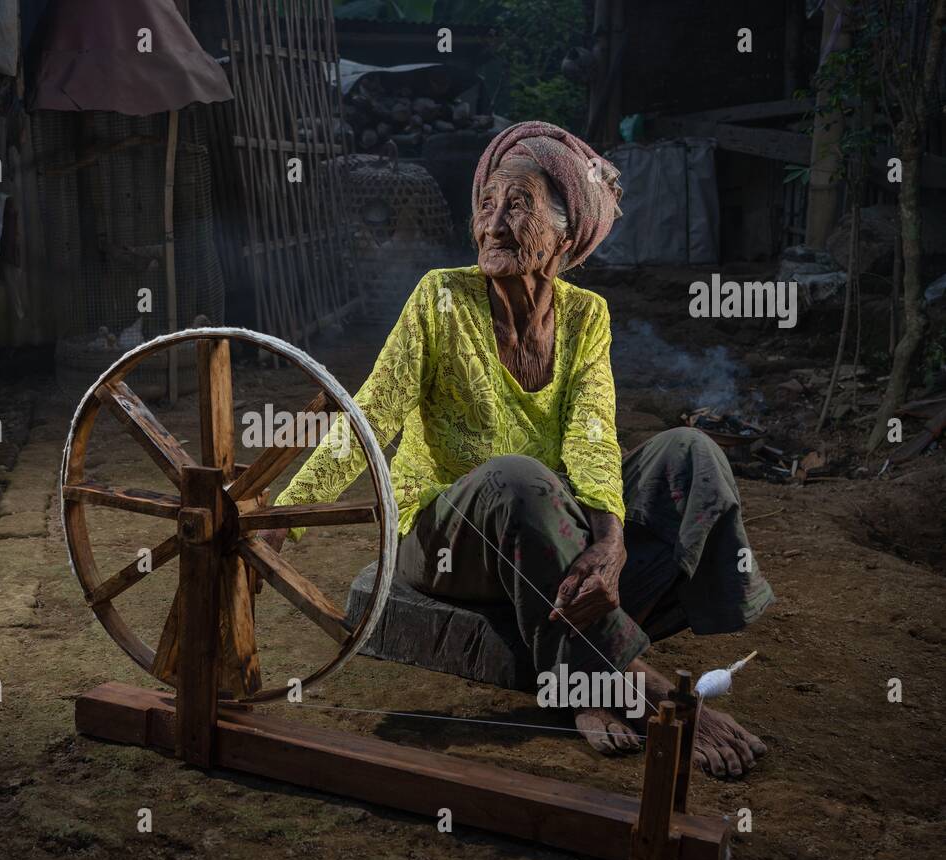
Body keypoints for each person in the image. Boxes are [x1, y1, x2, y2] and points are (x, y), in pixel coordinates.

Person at [263, 121, 773, 779]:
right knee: (518, 479)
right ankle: (622, 683)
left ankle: (585, 657)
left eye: (518, 205)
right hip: (445, 535)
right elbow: (370, 414)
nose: (493, 223)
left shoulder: (586, 315)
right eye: (486, 204)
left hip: (546, 532)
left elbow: (592, 435)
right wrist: (287, 513)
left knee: (691, 455)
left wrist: (610, 543)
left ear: (566, 236)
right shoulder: (441, 299)